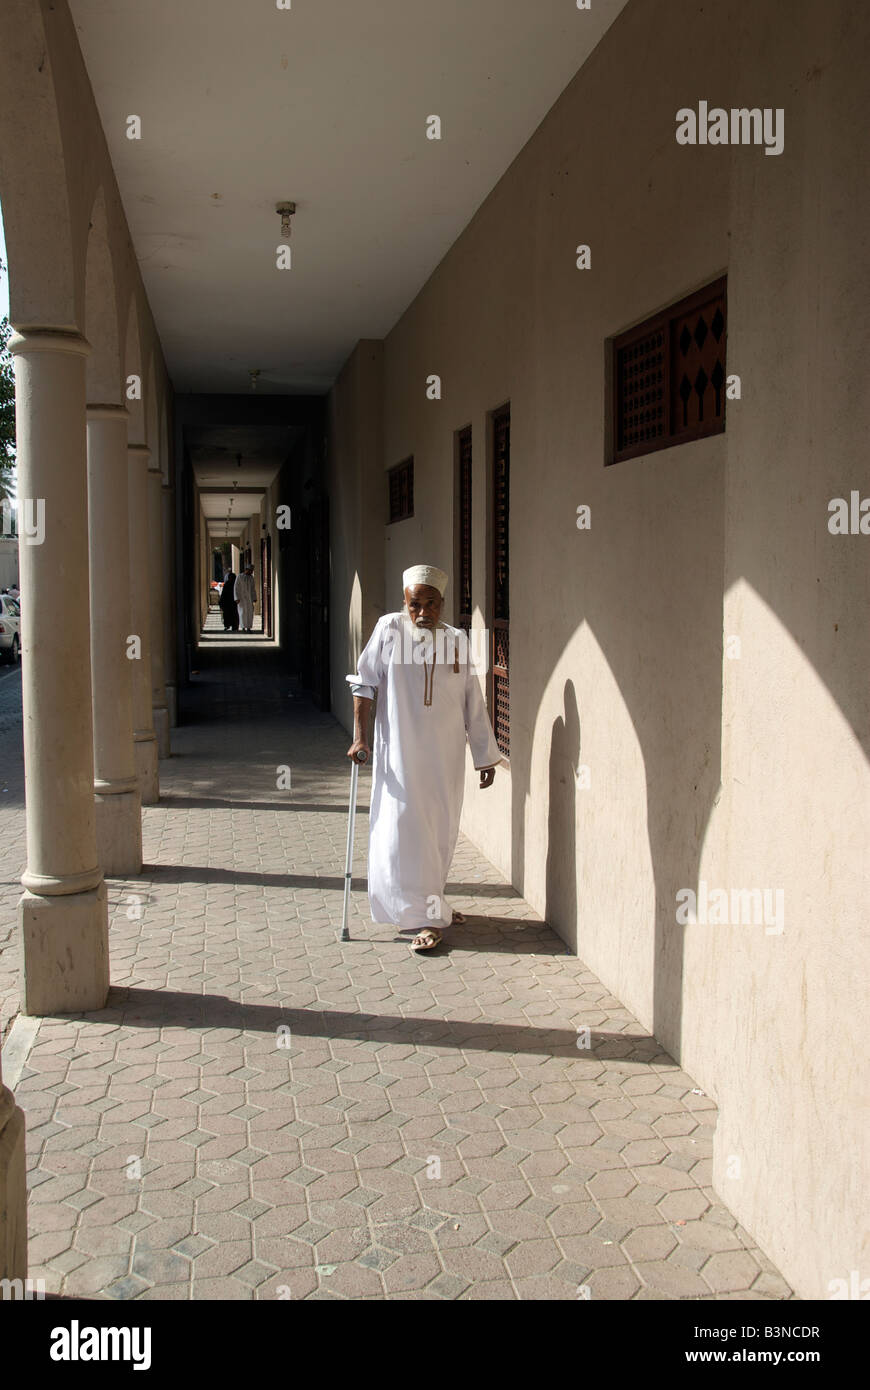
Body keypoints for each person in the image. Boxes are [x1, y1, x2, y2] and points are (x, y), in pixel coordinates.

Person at [346, 564, 505, 951]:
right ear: (405, 602)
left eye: (430, 604)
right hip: (399, 755)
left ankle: (435, 902)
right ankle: (426, 920)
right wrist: (359, 738)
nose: (422, 612)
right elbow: (364, 683)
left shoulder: (458, 641)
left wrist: (484, 755)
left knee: (440, 830)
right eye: (415, 603)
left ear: (443, 604)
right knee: (403, 830)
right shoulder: (388, 630)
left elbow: (473, 699)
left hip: (444, 757)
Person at [234, 565, 257, 632]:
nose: (251, 572)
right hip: (241, 599)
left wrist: (254, 597)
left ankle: (249, 627)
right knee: (242, 613)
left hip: (249, 599)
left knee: (249, 613)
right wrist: (236, 598)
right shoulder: (239, 577)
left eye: (252, 571)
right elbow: (236, 588)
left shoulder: (251, 578)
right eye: (250, 570)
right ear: (246, 570)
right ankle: (243, 627)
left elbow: (253, 588)